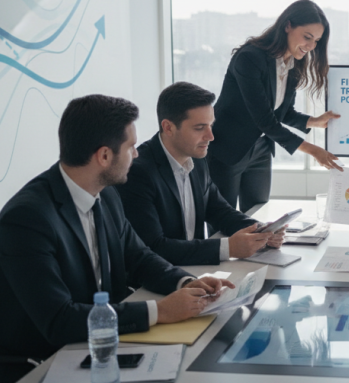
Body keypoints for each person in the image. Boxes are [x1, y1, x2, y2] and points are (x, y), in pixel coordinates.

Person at [0, 95, 231, 383]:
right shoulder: (28, 219)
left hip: (100, 350)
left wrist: (184, 283)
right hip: (37, 372)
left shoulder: (106, 196)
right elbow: (59, 321)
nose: (137, 155)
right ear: (105, 156)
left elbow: (139, 257)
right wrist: (160, 311)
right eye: (131, 148)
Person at [117, 82, 284, 266]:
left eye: (211, 125)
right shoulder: (138, 173)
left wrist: (260, 231)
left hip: (196, 271)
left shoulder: (197, 158)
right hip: (160, 279)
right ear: (168, 128)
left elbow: (219, 211)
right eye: (199, 128)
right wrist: (228, 248)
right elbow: (153, 247)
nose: (210, 136)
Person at [207, 0, 342, 212]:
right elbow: (265, 120)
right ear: (287, 26)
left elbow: (282, 112)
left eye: (316, 41)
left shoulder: (294, 64)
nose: (311, 46)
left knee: (258, 214)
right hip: (229, 149)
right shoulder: (249, 58)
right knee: (226, 225)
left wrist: (314, 121)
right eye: (307, 37)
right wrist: (313, 150)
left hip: (260, 149)